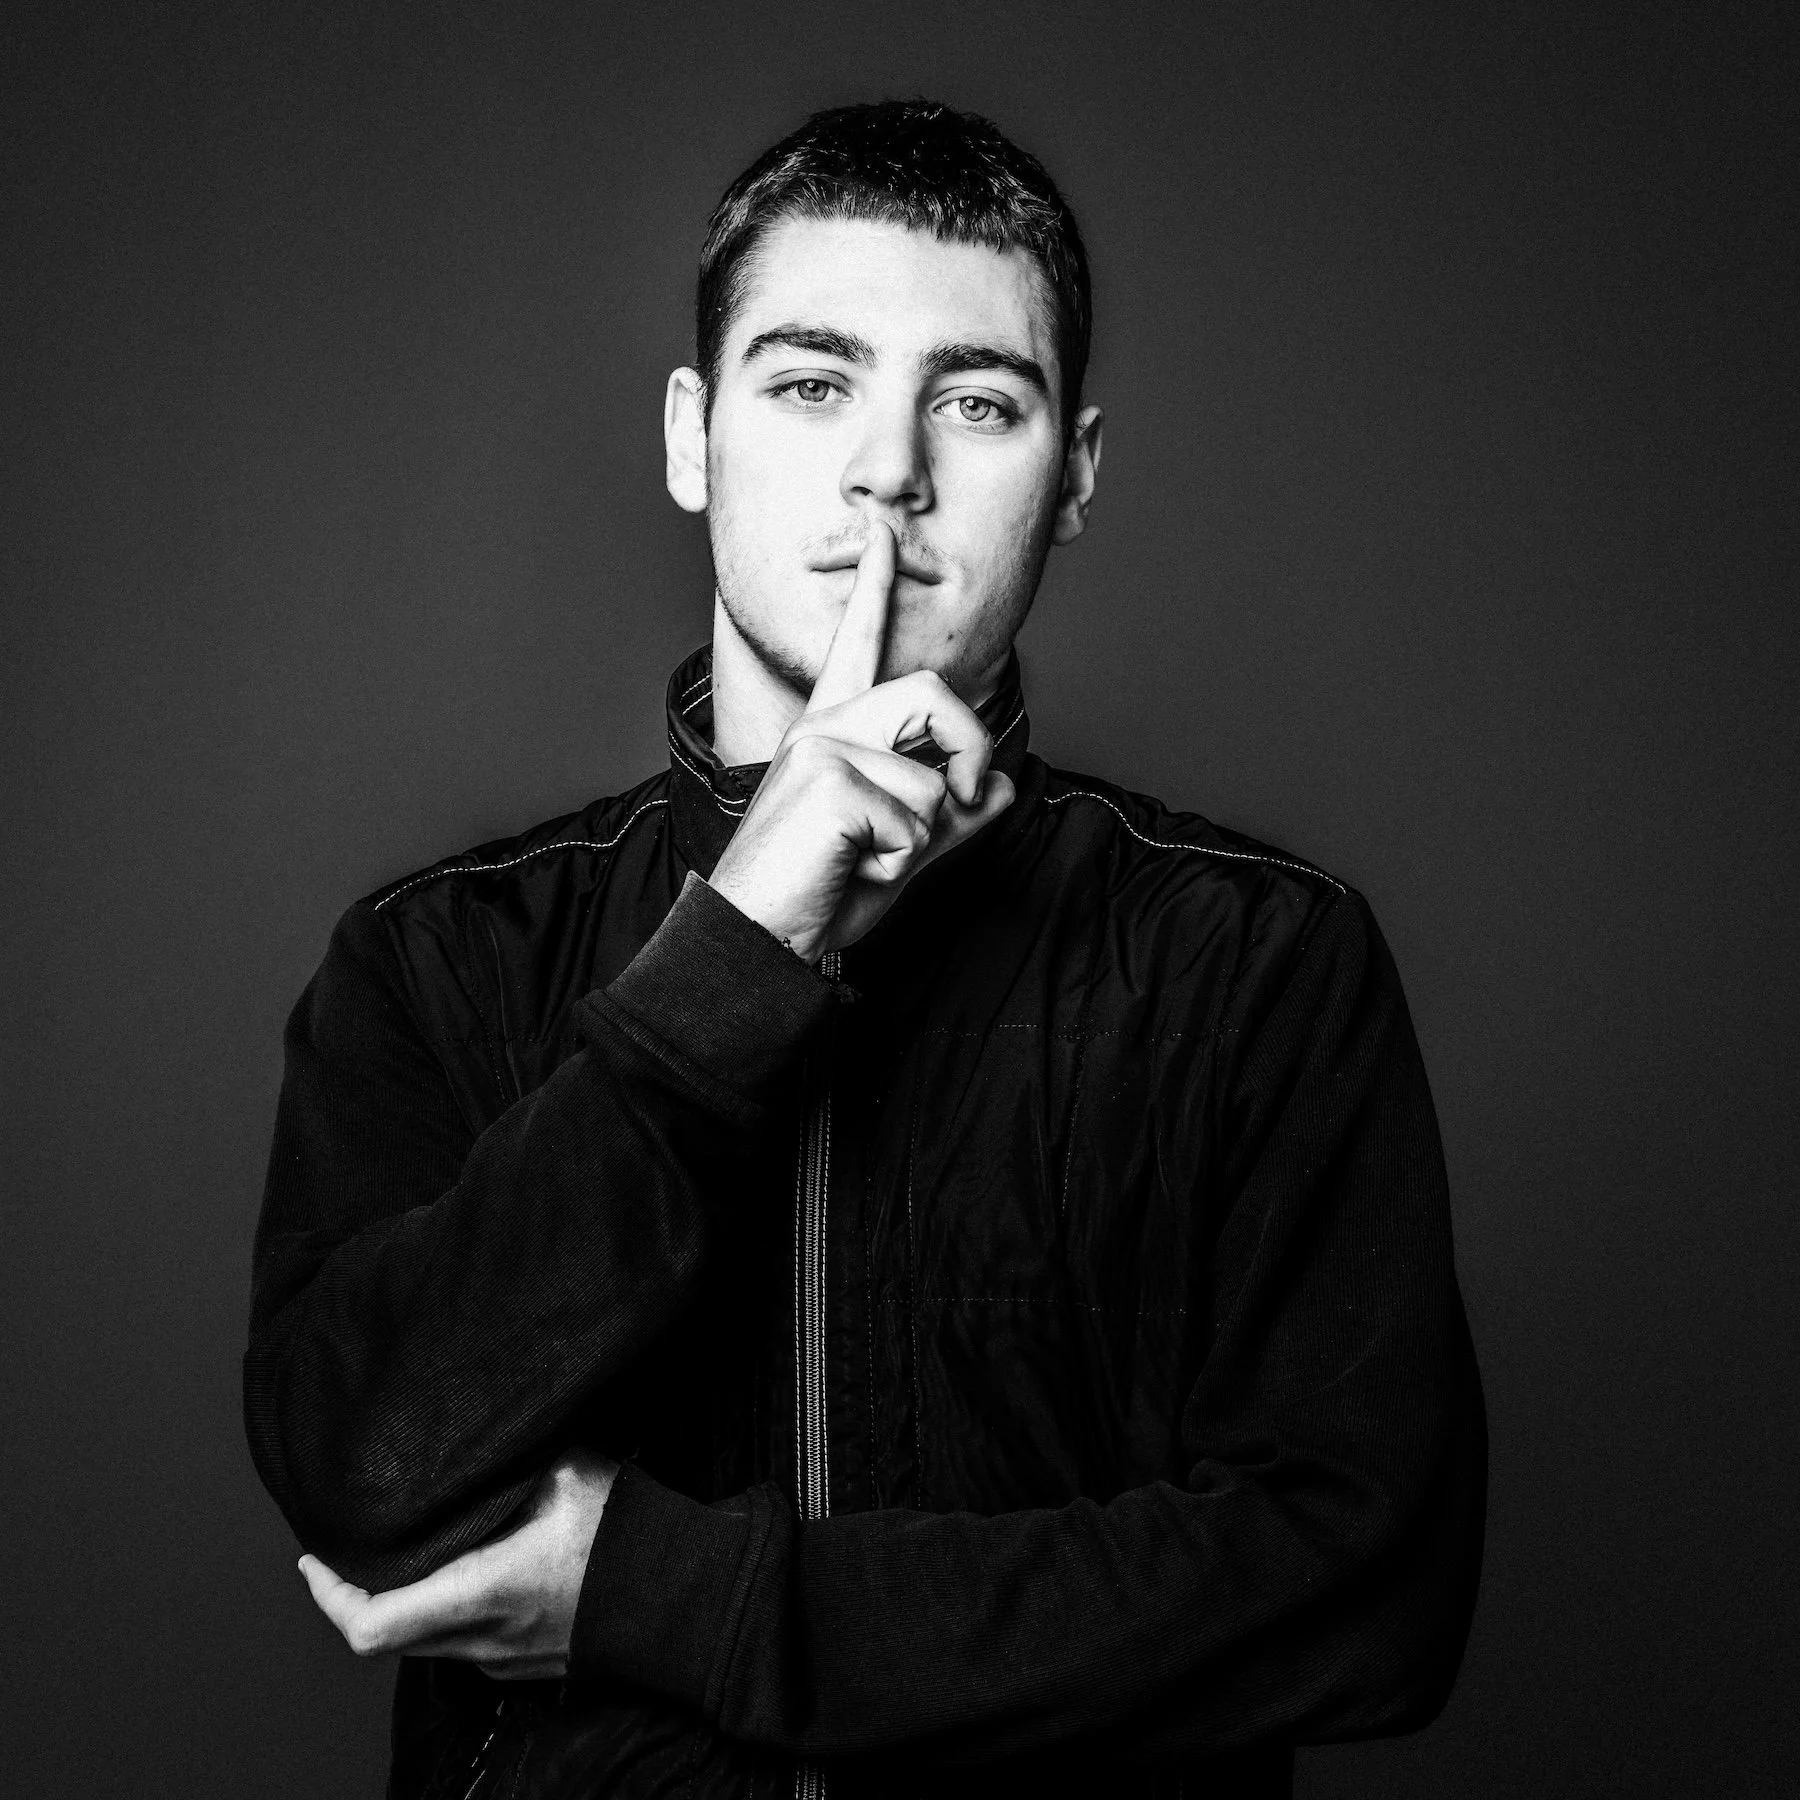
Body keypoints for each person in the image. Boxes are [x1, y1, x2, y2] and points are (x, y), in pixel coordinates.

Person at [245, 99, 1486, 1800]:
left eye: (977, 402)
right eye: (812, 382)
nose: (889, 469)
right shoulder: (439, 959)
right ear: (693, 437)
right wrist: (739, 948)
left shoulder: (1259, 962)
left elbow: (1368, 1596)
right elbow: (361, 1469)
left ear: (1075, 476)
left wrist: (667, 1597)